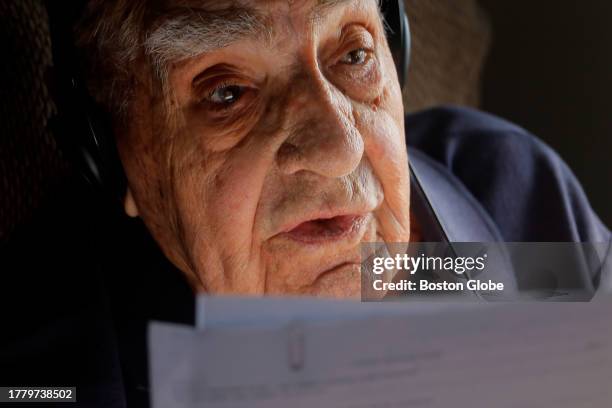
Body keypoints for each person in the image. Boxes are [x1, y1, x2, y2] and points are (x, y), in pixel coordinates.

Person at [0, 0, 609, 406]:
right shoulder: (45, 372)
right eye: (228, 92)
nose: (340, 146)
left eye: (352, 55)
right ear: (107, 152)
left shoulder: (512, 187)